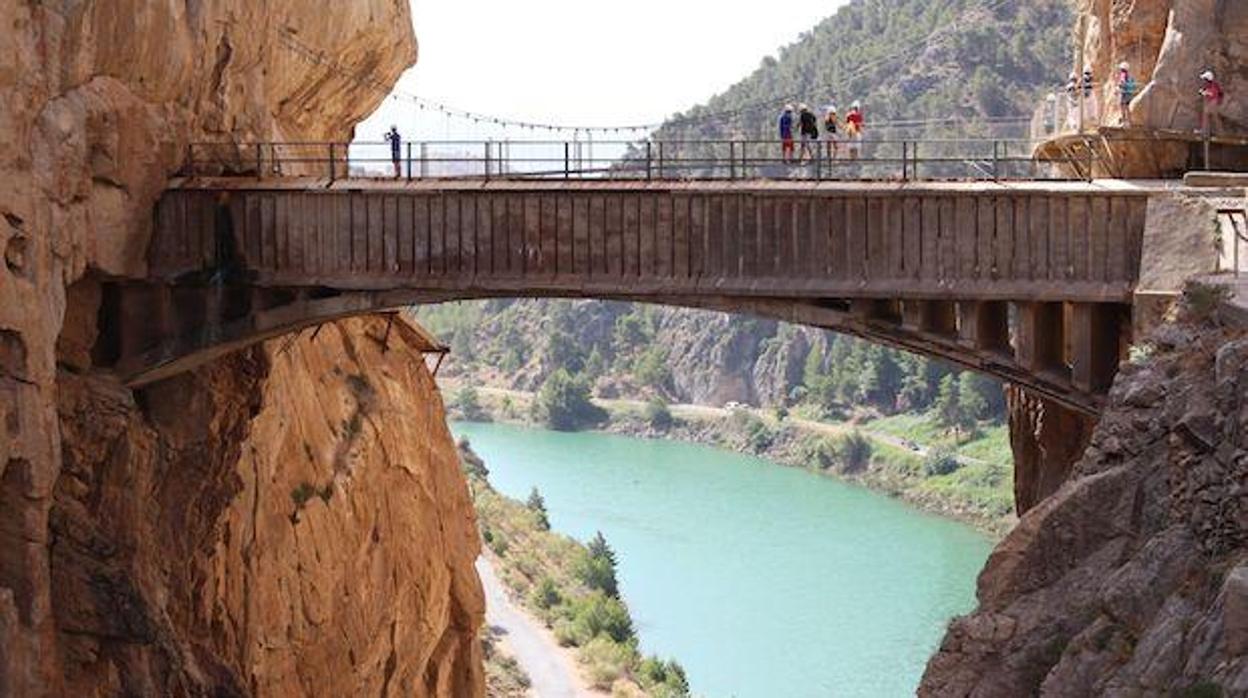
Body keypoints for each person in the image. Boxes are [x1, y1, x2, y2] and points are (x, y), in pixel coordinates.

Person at [1199, 70, 1224, 136]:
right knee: (1206, 116)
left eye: (1205, 79)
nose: (1204, 81)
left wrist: (1205, 93)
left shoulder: (1214, 85)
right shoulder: (1208, 85)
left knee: (1212, 116)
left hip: (1213, 102)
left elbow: (1213, 93)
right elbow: (1205, 90)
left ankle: (1219, 133)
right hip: (1211, 102)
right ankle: (1205, 131)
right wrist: (1203, 91)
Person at [1117, 62, 1137, 126]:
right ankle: (1130, 122)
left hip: (1124, 94)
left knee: (1122, 106)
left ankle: (1124, 121)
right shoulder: (1131, 76)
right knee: (1128, 108)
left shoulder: (1123, 75)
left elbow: (1122, 84)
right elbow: (1134, 85)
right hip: (1130, 94)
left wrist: (1119, 87)